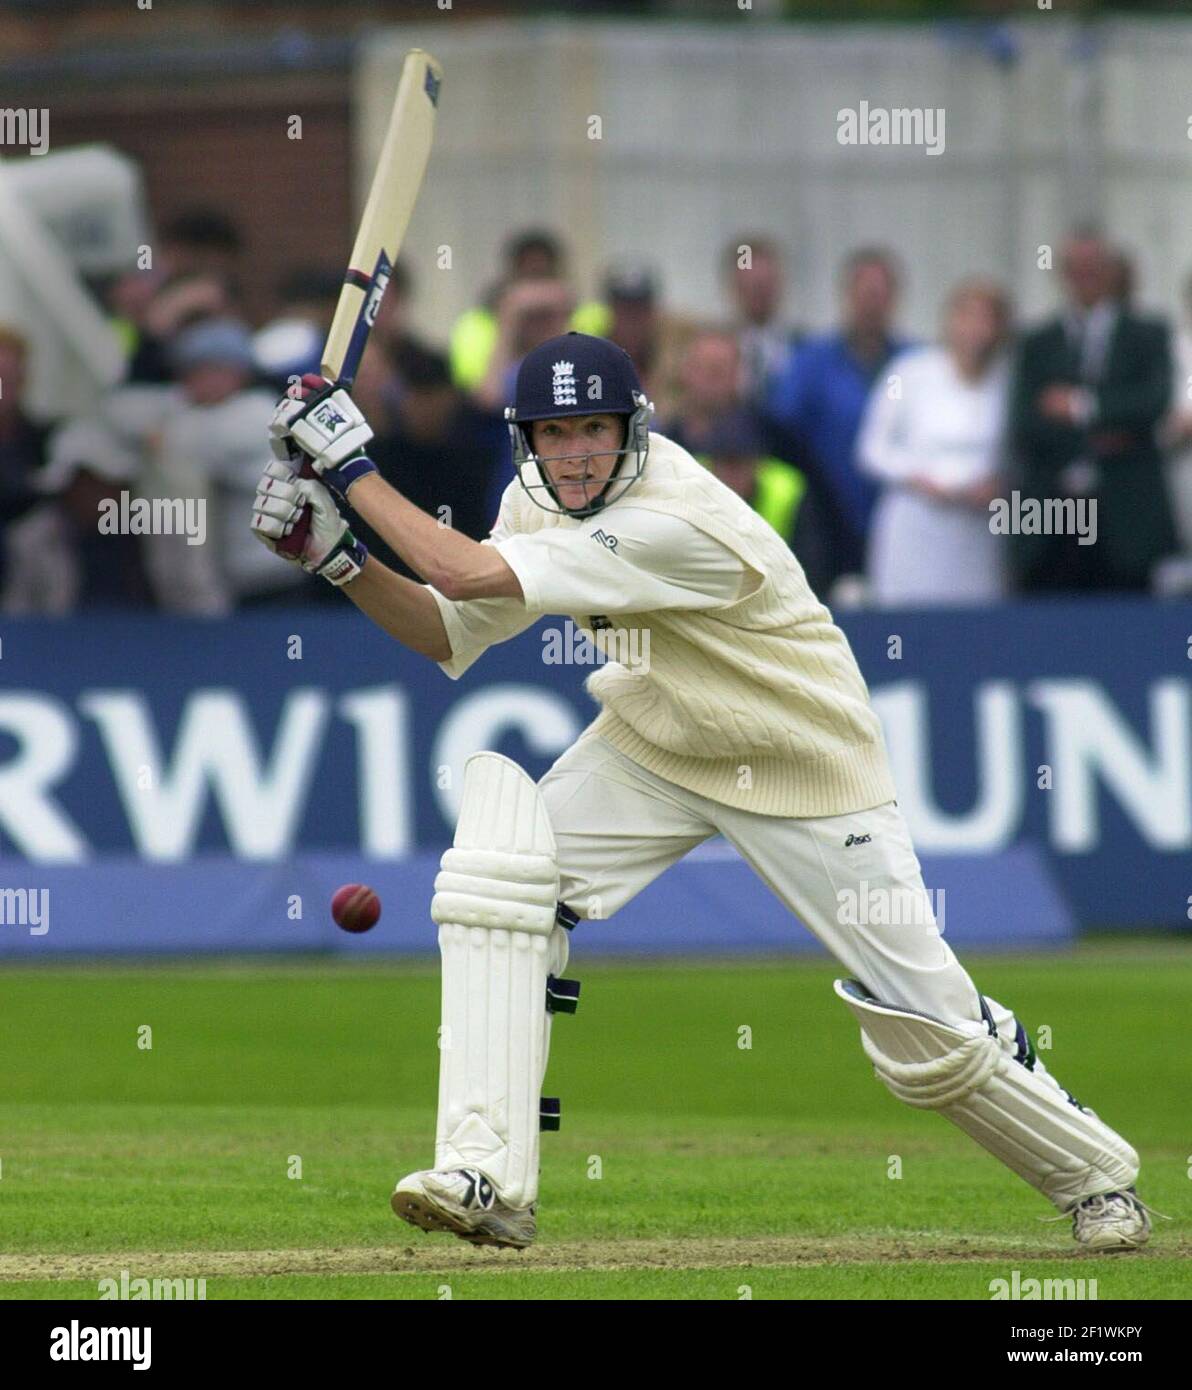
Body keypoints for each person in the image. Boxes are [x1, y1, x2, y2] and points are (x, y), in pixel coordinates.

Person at [251, 331, 1153, 1255]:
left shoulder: (675, 516)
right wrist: (340, 562)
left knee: (926, 1026)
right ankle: (485, 1179)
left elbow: (461, 570)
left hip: (800, 760)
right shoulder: (532, 501)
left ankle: (1094, 1179)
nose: (574, 455)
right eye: (553, 435)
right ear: (527, 440)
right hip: (657, 739)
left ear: (633, 430)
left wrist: (352, 466)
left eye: (593, 430)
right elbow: (450, 628)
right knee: (502, 880)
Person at [1010, 230, 1176, 592]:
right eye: (1076, 268)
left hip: (1126, 517)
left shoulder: (1147, 334)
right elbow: (1025, 422)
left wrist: (1079, 407)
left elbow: (1153, 402)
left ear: (1112, 271)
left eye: (1095, 267)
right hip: (1052, 518)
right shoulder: (1037, 343)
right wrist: (1110, 433)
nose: (1086, 276)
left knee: (1128, 626)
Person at [857, 278, 1012, 605]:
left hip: (979, 529)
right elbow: (871, 449)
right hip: (916, 523)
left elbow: (1019, 453)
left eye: (987, 319)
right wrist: (918, 478)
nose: (976, 330)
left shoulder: (1008, 381)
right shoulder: (908, 372)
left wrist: (1000, 484)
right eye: (967, 317)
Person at [767, 247, 911, 594]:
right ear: (846, 295)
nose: (872, 305)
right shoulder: (811, 362)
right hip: (827, 517)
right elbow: (782, 432)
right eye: (864, 294)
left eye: (880, 294)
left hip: (896, 517)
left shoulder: (914, 363)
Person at [722, 233, 801, 405]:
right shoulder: (716, 349)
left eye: (765, 284)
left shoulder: (803, 347)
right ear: (733, 287)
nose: (758, 293)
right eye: (750, 285)